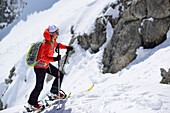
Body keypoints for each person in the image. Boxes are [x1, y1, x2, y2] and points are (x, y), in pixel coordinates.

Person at [28, 25, 73, 110]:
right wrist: (54, 59)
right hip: (40, 67)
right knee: (39, 86)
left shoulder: (52, 41)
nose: (58, 34)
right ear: (52, 33)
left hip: (46, 65)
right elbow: (43, 57)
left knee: (59, 74)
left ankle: (54, 93)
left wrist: (66, 47)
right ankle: (32, 104)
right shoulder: (47, 44)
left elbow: (57, 45)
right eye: (56, 33)